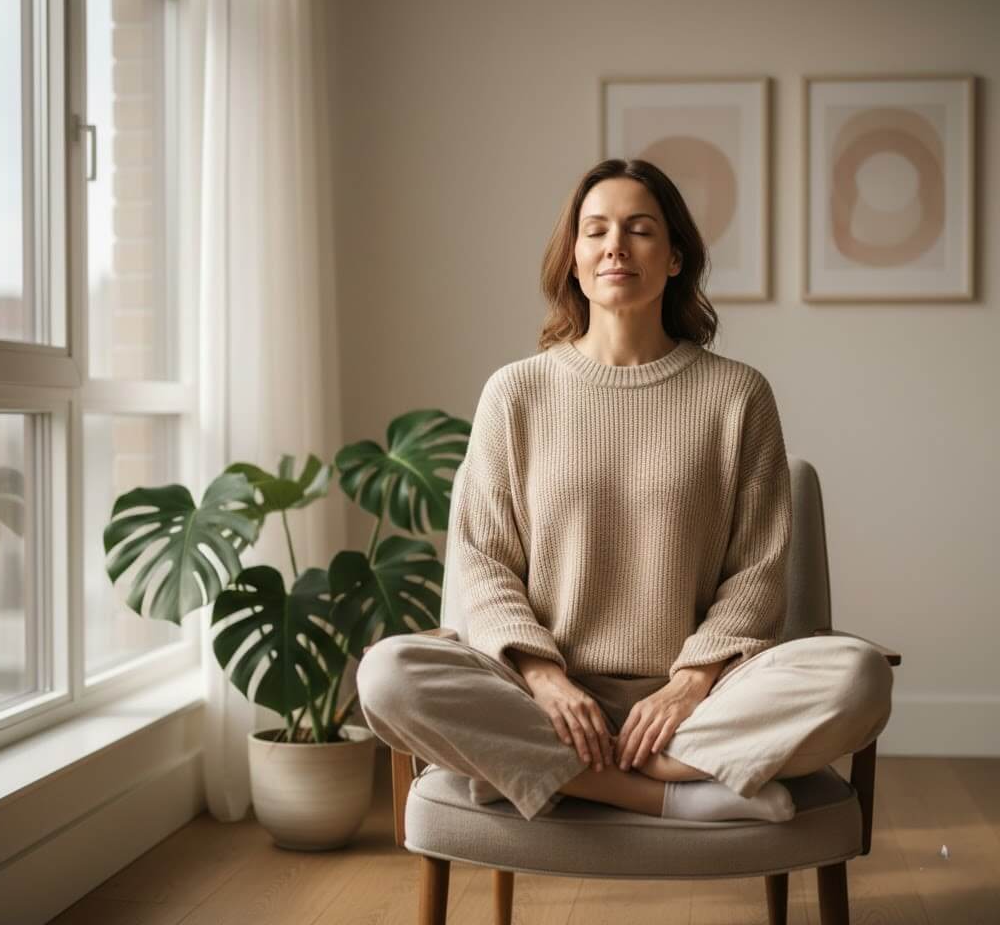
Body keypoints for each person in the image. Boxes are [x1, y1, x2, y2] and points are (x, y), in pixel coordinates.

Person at [356, 158, 894, 824]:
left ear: (674, 258)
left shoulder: (737, 394)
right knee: (387, 675)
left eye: (640, 229)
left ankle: (540, 771)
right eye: (595, 231)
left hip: (703, 697)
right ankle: (674, 794)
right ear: (574, 260)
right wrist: (546, 679)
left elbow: (758, 571)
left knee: (860, 676)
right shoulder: (515, 393)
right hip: (538, 696)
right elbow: (484, 561)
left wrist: (689, 686)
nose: (616, 245)